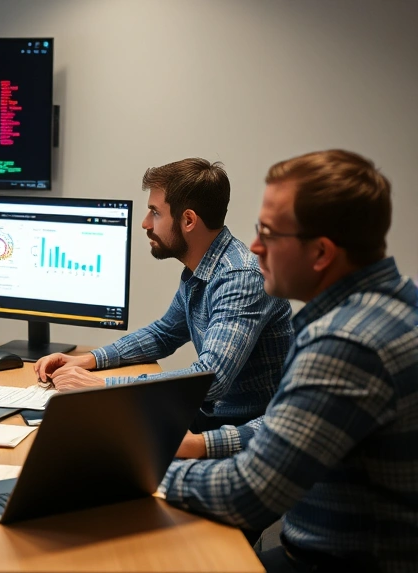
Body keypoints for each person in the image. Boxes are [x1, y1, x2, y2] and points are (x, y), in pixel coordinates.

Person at [159, 150, 418, 573]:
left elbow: (248, 491)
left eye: (269, 233)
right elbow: (289, 426)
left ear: (320, 253)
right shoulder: (395, 302)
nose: (255, 247)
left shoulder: (344, 344)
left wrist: (140, 472)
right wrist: (201, 445)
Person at [34, 158, 293, 442]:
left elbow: (210, 379)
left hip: (243, 433)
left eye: (155, 213)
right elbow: (164, 334)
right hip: (208, 417)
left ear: (189, 220)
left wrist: (102, 386)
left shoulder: (240, 277)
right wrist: (88, 360)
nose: (145, 223)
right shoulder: (202, 269)